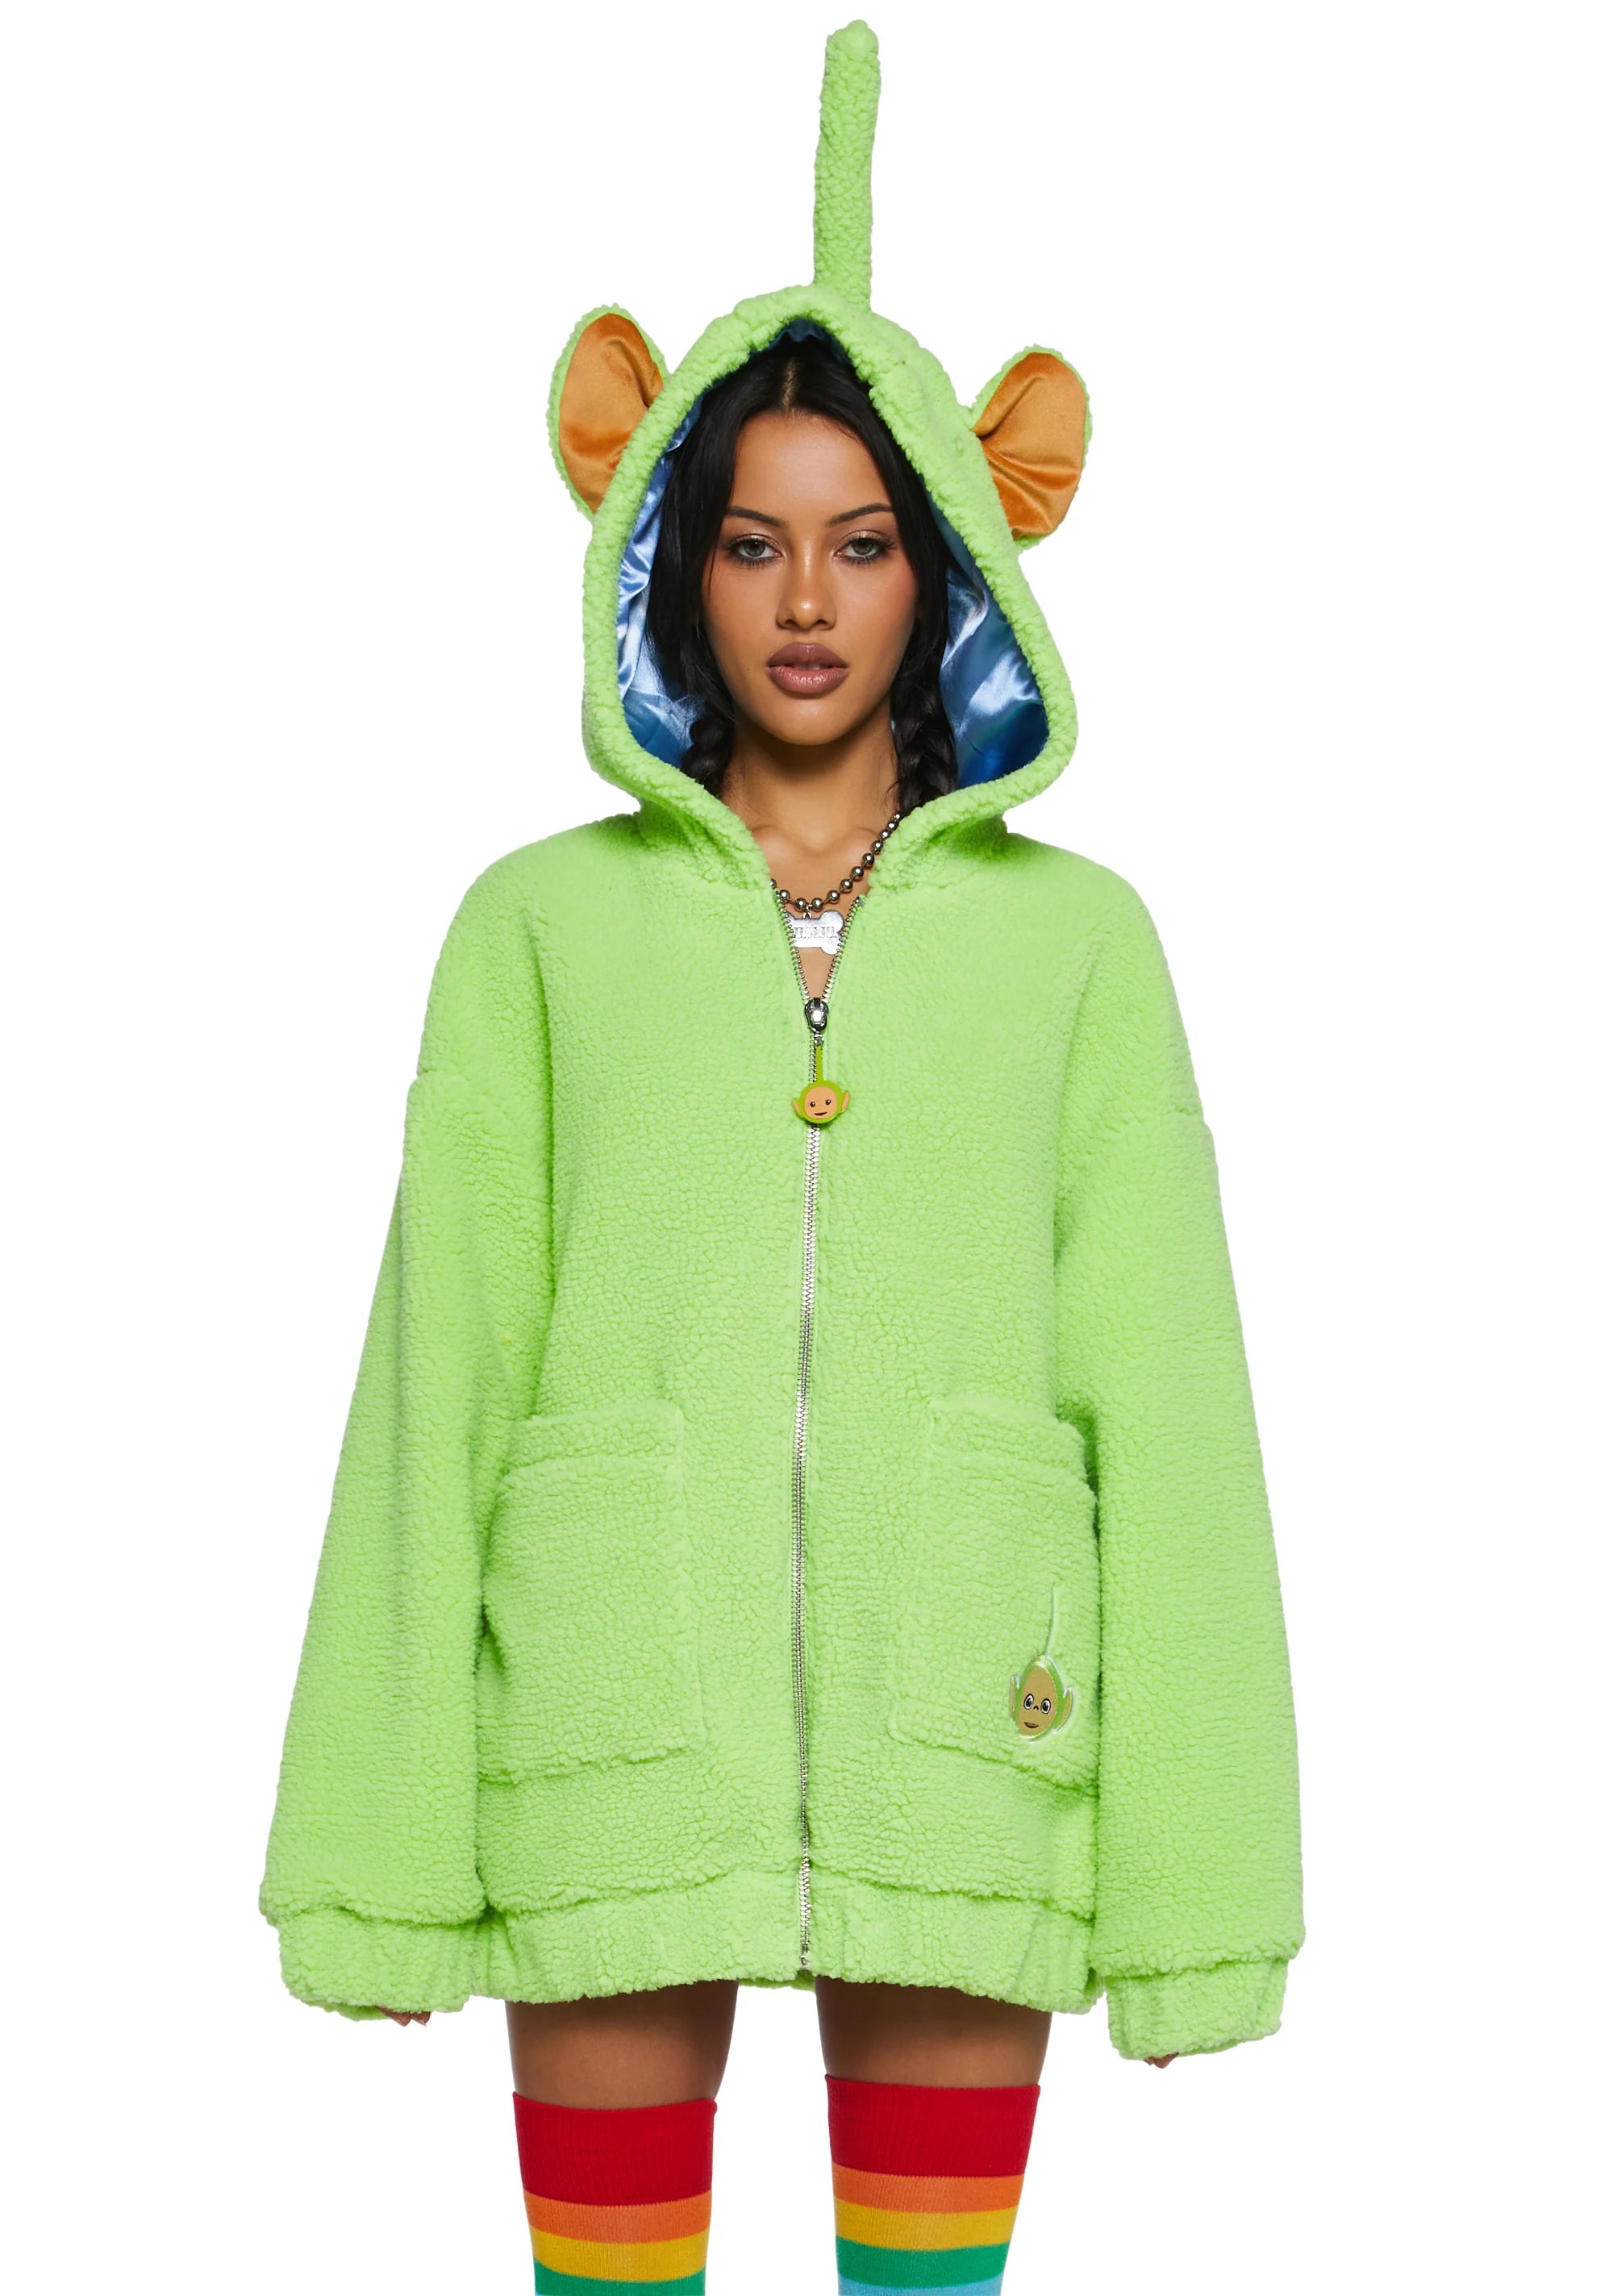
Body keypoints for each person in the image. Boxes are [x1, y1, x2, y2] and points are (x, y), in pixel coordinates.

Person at [260, 23, 1302, 2294]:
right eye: (750, 543)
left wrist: (1202, 1894)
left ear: (951, 568)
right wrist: (380, 1851)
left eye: (861, 544)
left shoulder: (1082, 947)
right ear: (666, 555)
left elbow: (1173, 1407)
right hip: (606, 1727)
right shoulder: (533, 931)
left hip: (973, 1733)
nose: (806, 603)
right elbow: (437, 1383)